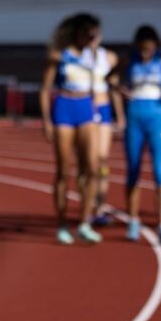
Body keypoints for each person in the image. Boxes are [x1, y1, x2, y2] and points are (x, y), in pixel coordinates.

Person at [40, 13, 103, 245]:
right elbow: (45, 89)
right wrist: (47, 121)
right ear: (79, 33)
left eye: (95, 35)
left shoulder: (93, 55)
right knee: (64, 170)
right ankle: (62, 223)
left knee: (92, 168)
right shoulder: (59, 55)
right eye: (89, 34)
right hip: (64, 108)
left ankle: (85, 222)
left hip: (85, 107)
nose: (92, 39)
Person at [118, 25, 161, 244]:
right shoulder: (129, 60)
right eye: (142, 49)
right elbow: (110, 78)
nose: (146, 54)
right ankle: (133, 222)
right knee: (133, 170)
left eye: (150, 49)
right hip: (135, 117)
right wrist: (121, 89)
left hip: (158, 117)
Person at [87, 31, 120, 224]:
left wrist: (120, 115)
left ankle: (99, 207)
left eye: (95, 34)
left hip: (103, 108)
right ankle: (87, 207)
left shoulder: (108, 57)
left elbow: (114, 88)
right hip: (84, 110)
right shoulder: (78, 57)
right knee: (88, 161)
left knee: (102, 158)